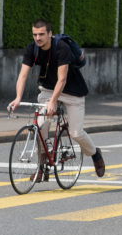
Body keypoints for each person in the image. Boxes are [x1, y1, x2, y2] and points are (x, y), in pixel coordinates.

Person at [8, 20, 105, 178]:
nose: (38, 38)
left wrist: (53, 101)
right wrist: (18, 97)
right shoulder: (32, 49)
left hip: (72, 92)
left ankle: (95, 154)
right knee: (40, 125)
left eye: (41, 34)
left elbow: (62, 80)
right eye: (35, 34)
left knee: (76, 133)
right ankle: (42, 166)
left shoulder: (61, 48)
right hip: (48, 89)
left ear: (50, 34)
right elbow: (23, 75)